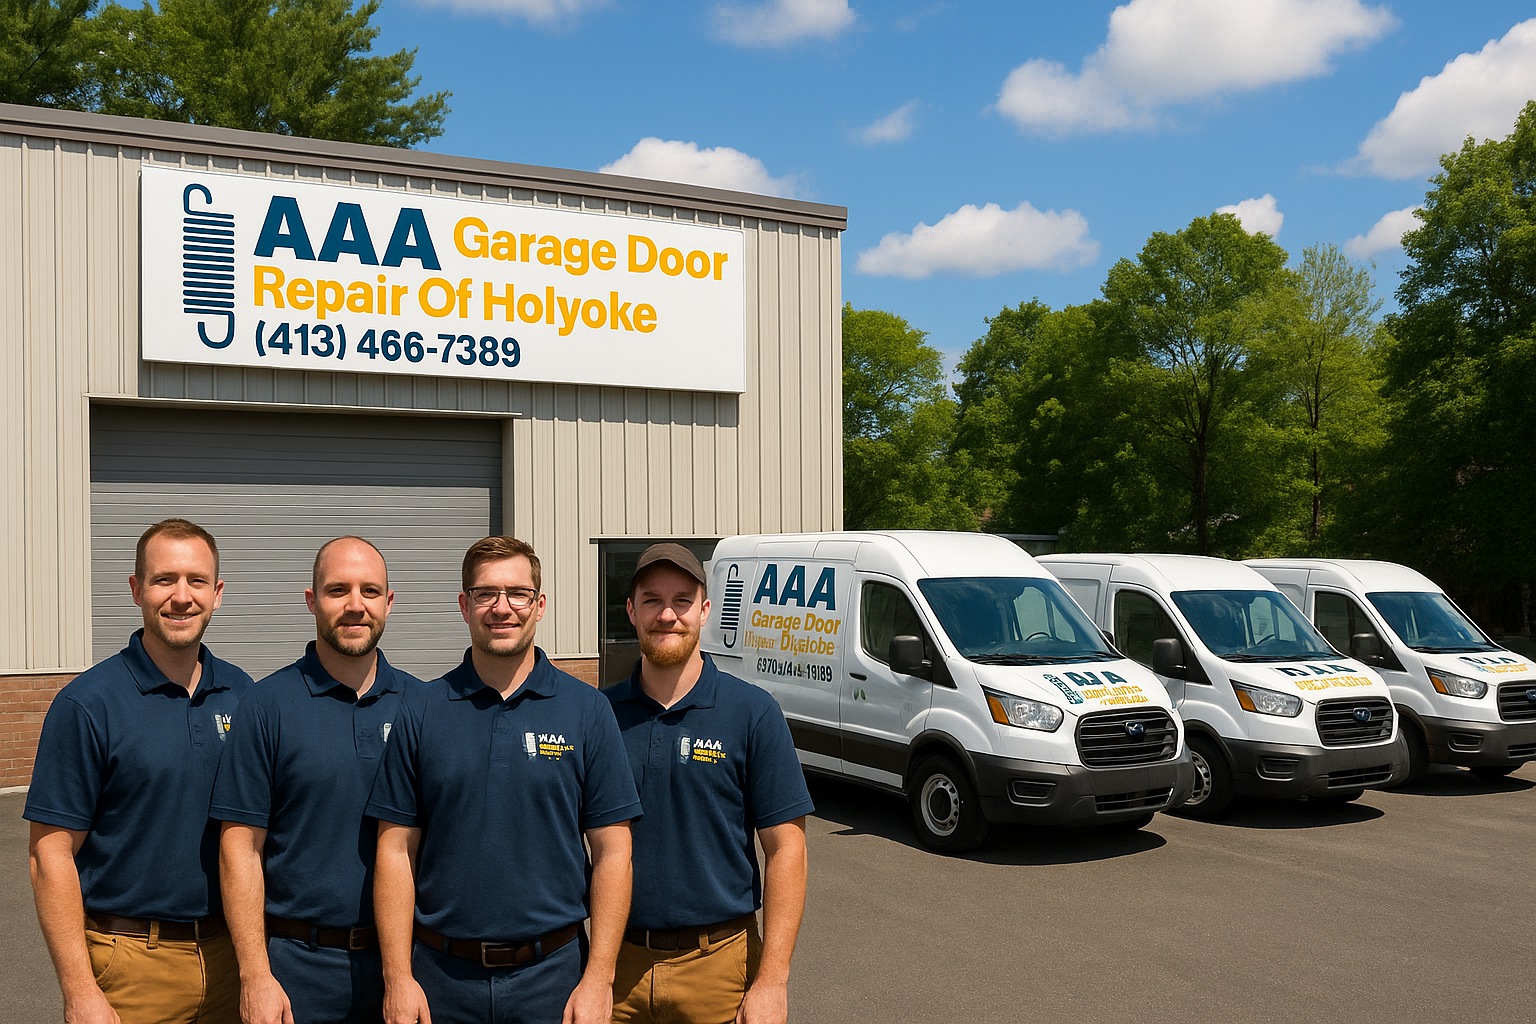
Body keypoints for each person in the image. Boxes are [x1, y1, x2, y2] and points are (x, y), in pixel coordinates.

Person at [365, 536, 642, 1024]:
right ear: (464, 606)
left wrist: (600, 978)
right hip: (439, 982)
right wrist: (397, 978)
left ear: (539, 605)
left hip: (553, 980)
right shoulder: (421, 710)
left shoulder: (587, 710)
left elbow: (614, 851)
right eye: (485, 594)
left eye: (517, 593)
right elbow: (394, 851)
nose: (502, 608)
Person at [25, 518, 254, 1024]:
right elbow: (50, 854)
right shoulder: (88, 704)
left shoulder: (244, 694)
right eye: (163, 579)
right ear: (136, 590)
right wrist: (80, 990)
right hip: (129, 964)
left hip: (230, 960)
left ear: (217, 594)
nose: (181, 596)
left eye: (196, 581)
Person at [212, 536, 420, 1024]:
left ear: (389, 603)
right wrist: (255, 975)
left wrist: (406, 973)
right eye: (337, 590)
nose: (355, 606)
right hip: (297, 969)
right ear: (311, 601)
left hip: (410, 964)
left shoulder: (424, 704)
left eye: (370, 591)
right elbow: (239, 848)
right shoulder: (266, 706)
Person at [606, 544, 813, 1024]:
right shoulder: (600, 715)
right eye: (652, 600)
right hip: (618, 964)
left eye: (682, 600)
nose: (667, 615)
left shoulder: (753, 713)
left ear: (704, 610)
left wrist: (773, 980)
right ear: (632, 611)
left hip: (721, 965)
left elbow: (787, 850)